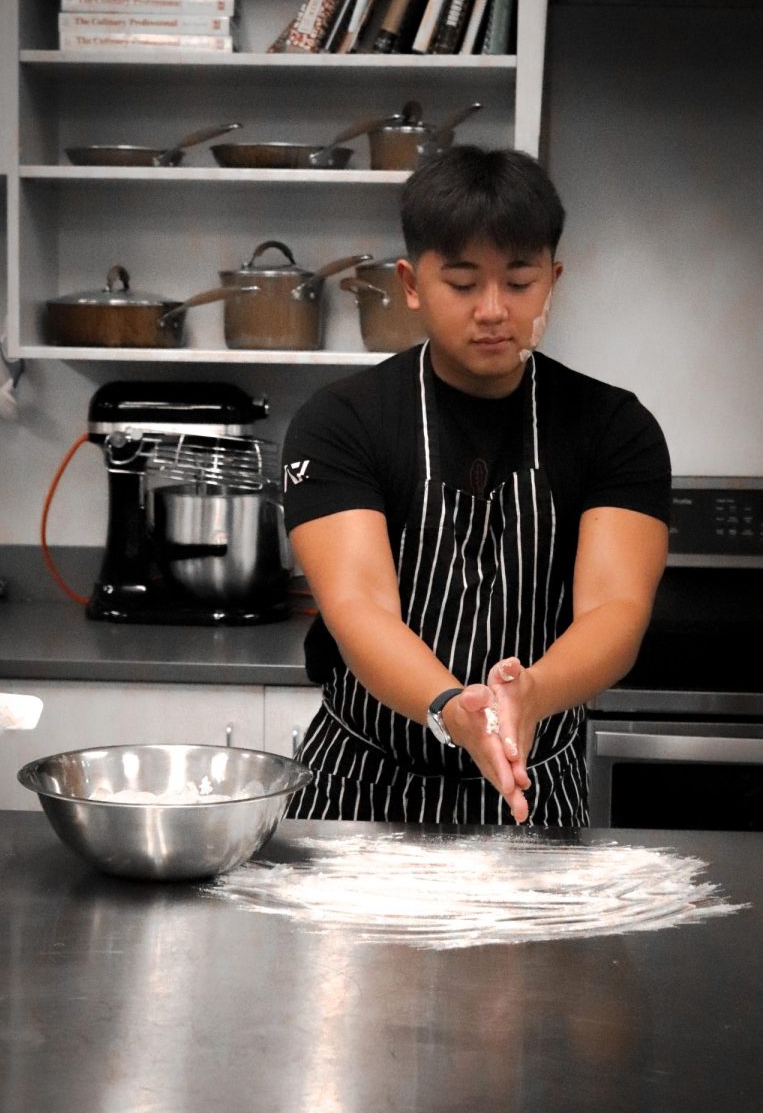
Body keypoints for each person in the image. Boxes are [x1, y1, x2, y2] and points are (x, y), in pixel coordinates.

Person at [281, 145, 671, 826]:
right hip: (359, 795)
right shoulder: (341, 421)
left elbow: (614, 609)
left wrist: (532, 692)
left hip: (534, 798)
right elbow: (357, 604)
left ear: (552, 279)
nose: (492, 309)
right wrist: (448, 707)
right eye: (462, 284)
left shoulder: (613, 427)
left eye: (518, 283)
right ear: (409, 282)